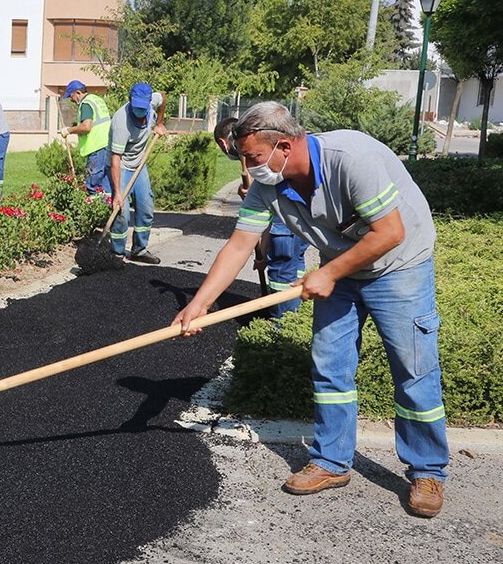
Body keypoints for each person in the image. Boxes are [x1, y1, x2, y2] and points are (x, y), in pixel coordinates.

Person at [173, 101, 448, 518]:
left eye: (252, 158)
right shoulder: (270, 184)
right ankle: (331, 461)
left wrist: (328, 273)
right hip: (340, 268)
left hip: (399, 266)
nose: (248, 168)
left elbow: (390, 232)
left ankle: (427, 470)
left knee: (413, 369)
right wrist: (199, 304)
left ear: (284, 145)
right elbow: (240, 244)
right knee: (330, 365)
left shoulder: (353, 159)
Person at [214, 116, 309, 318]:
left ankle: (281, 322)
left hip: (284, 223)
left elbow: (264, 217)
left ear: (224, 143)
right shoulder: (264, 147)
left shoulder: (257, 163)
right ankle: (297, 314)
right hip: (301, 219)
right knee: (294, 267)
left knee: (281, 274)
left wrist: (263, 252)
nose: (248, 162)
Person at [108, 82, 166, 264]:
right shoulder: (120, 122)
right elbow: (115, 159)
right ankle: (116, 253)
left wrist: (159, 122)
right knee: (121, 210)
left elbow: (163, 96)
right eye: (136, 107)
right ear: (130, 101)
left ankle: (139, 250)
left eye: (143, 107)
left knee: (146, 206)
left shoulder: (152, 102)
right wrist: (117, 193)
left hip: (140, 165)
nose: (139, 111)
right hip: (123, 165)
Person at [60, 80, 113, 199]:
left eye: (71, 96)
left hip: (97, 147)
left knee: (93, 184)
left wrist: (69, 130)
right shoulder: (97, 99)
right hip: (107, 145)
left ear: (78, 93)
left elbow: (86, 126)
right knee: (106, 185)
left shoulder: (86, 104)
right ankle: (108, 213)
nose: (71, 100)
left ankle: (95, 212)